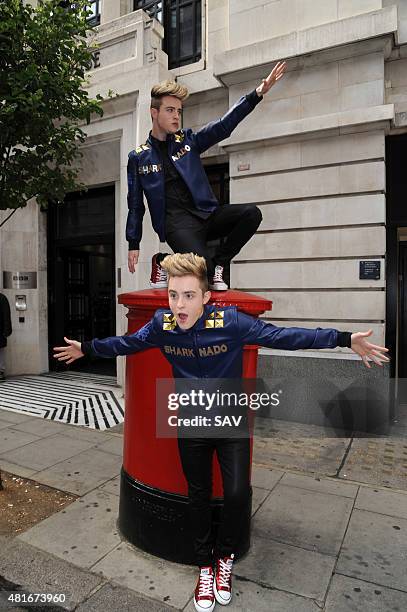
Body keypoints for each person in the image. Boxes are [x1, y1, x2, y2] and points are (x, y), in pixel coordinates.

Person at [54, 253, 389, 612]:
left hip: (230, 420)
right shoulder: (161, 324)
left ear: (205, 297)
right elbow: (126, 344)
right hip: (190, 421)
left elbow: (286, 336)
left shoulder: (231, 322)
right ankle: (204, 567)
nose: (179, 305)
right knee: (197, 496)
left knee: (234, 494)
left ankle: (224, 558)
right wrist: (86, 348)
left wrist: (342, 338)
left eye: (188, 295)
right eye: (172, 295)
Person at [126, 62, 287, 291]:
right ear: (154, 112)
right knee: (205, 273)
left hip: (206, 216)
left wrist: (257, 94)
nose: (176, 117)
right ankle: (162, 260)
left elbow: (223, 126)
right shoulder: (138, 158)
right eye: (170, 110)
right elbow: (135, 206)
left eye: (179, 111)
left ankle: (221, 263)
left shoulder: (188, 141)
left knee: (251, 214)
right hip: (177, 225)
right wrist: (133, 242)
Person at [0, 292, 12, 382]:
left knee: (0, 352)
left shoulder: (2, 298)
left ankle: (0, 371)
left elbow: (6, 315)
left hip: (0, 332)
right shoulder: (2, 298)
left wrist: (7, 331)